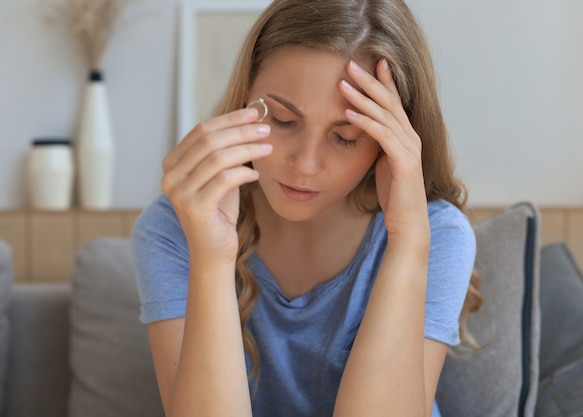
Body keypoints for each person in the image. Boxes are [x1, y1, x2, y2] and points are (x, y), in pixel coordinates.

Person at [132, 0, 482, 416]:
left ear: (390, 143)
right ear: (246, 94)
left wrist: (408, 243)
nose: (305, 164)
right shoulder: (174, 228)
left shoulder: (436, 234)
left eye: (346, 137)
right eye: (282, 119)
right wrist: (211, 257)